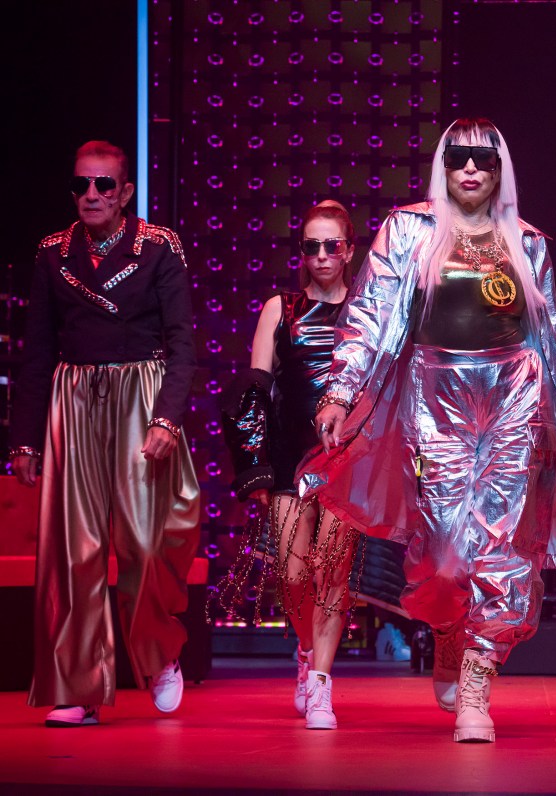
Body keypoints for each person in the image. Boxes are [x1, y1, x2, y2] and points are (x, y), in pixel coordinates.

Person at [299, 118, 556, 743]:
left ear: (500, 169)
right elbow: (368, 316)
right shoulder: (408, 230)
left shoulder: (529, 242)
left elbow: (546, 344)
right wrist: (339, 393)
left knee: (502, 545)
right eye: (459, 157)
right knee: (442, 556)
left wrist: (554, 431)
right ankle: (447, 629)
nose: (470, 169)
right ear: (443, 164)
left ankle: (476, 678)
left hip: (514, 396)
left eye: (483, 159)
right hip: (435, 396)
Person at [8, 140, 199, 727]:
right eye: (81, 184)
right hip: (73, 401)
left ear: (125, 192)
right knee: (75, 550)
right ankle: (77, 685)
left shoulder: (159, 246)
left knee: (146, 542)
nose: (91, 194)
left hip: (141, 397)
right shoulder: (52, 253)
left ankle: (159, 650)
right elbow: (36, 353)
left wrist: (167, 418)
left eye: (104, 184)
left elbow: (182, 343)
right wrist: (25, 439)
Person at [220, 200, 364, 730]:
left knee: (334, 571)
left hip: (348, 456)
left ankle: (321, 682)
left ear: (349, 250)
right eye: (311, 245)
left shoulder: (368, 311)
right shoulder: (279, 309)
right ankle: (306, 650)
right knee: (294, 572)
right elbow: (254, 391)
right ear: (301, 252)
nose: (322, 254)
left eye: (332, 245)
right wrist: (253, 467)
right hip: (288, 454)